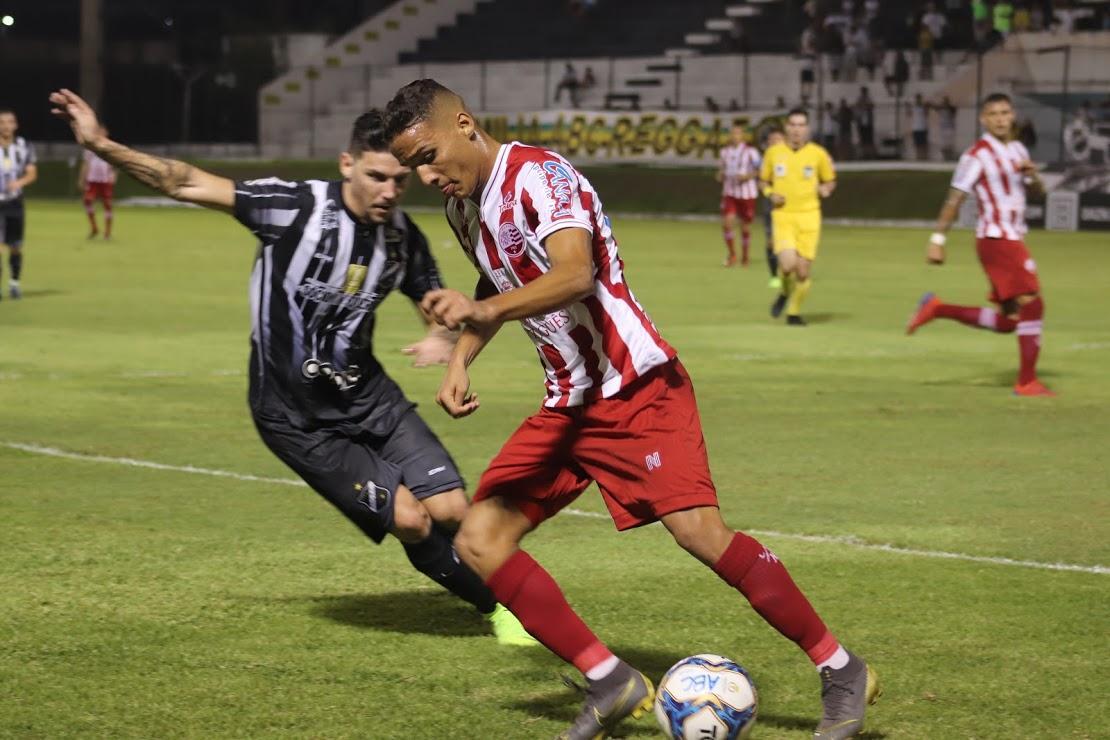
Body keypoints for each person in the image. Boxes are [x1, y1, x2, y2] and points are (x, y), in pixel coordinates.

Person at [384, 79, 878, 740]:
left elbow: (573, 273)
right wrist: (461, 354)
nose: (424, 174)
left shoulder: (541, 177)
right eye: (412, 166)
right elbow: (496, 279)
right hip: (568, 406)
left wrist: (482, 314)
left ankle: (841, 668)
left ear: (464, 124)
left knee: (700, 535)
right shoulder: (465, 211)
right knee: (480, 540)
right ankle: (609, 680)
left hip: (635, 387)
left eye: (427, 154)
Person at [48, 88, 536, 644]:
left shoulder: (400, 236)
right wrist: (99, 143)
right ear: (346, 164)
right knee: (411, 520)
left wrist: (439, 336)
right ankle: (499, 611)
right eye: (377, 177)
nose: (389, 191)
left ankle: (517, 601)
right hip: (295, 417)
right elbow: (182, 181)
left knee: (453, 507)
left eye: (398, 180)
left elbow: (434, 299)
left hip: (369, 396)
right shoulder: (292, 207)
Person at [906, 93, 1053, 396]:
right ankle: (1027, 382)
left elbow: (1038, 194)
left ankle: (937, 308)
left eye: (1005, 113)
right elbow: (956, 197)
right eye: (993, 114)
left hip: (1013, 236)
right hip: (997, 239)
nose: (1000, 119)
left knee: (1009, 321)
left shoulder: (1017, 149)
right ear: (983, 120)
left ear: (1012, 116)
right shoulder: (977, 155)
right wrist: (937, 239)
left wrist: (1033, 176)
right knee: (1033, 305)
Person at [761, 108, 837, 326]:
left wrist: (826, 189)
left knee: (802, 272)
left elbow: (830, 180)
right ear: (786, 127)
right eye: (792, 125)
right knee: (786, 266)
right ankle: (785, 292)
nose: (796, 129)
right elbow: (764, 181)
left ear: (807, 129)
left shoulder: (818, 154)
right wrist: (769, 193)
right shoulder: (774, 153)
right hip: (783, 216)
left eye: (801, 125)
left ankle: (793, 313)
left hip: (810, 217)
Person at [0, 108, 38, 301]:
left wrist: (18, 183)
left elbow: (32, 173)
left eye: (9, 122)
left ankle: (14, 283)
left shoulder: (24, 146)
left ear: (15, 125)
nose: (6, 126)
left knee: (15, 246)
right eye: (2, 122)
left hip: (15, 202)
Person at [717, 124, 761, 267]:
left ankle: (745, 256)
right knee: (727, 224)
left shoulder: (751, 152)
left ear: (742, 136)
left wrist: (747, 176)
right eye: (733, 133)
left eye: (738, 134)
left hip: (747, 194)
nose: (735, 136)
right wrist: (720, 175)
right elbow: (721, 171)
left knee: (745, 227)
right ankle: (732, 255)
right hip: (730, 193)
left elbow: (759, 170)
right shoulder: (724, 152)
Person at [78, 125, 117, 239]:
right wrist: (82, 178)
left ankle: (107, 232)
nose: (100, 133)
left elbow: (114, 162)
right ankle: (94, 227)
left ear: (106, 133)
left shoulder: (110, 147)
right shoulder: (90, 147)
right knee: (87, 201)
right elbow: (86, 163)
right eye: (98, 131)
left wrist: (113, 174)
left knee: (108, 204)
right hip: (92, 179)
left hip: (105, 180)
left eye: (102, 131)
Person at [761, 128, 786, 288]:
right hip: (771, 204)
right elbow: (762, 181)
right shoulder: (767, 160)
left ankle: (790, 271)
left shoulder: (792, 157)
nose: (775, 142)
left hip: (791, 205)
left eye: (778, 139)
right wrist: (770, 193)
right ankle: (774, 275)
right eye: (772, 140)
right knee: (772, 241)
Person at [911, 93, 931, 160]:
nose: (918, 99)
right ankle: (918, 157)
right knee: (917, 144)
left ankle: (924, 157)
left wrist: (927, 107)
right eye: (917, 98)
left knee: (923, 144)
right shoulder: (913, 107)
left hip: (923, 127)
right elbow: (909, 114)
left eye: (919, 98)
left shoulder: (923, 107)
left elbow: (926, 114)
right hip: (916, 127)